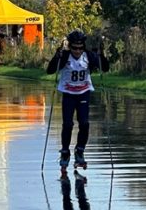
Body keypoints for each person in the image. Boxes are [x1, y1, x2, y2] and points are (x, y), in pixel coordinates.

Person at [45, 30, 106, 174]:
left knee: (84, 123)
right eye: (74, 48)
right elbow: (50, 71)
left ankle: (80, 150)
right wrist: (56, 57)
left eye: (80, 48)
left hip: (83, 93)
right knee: (67, 123)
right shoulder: (65, 56)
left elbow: (105, 68)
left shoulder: (88, 56)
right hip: (69, 94)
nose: (77, 51)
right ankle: (65, 151)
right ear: (69, 47)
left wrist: (101, 55)